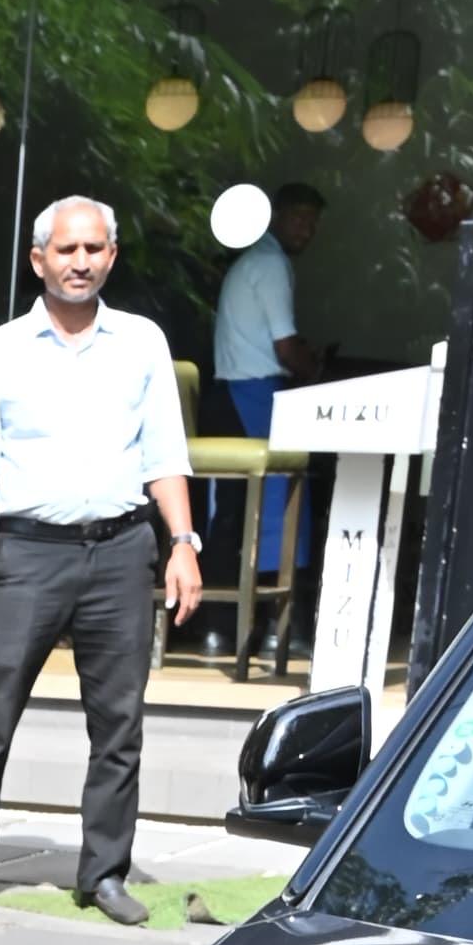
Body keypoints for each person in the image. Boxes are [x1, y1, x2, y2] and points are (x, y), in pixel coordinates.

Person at [0, 195, 203, 928]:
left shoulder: (142, 343)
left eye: (93, 249)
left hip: (121, 551)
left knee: (118, 722)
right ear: (37, 260)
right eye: (65, 250)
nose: (79, 262)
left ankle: (105, 874)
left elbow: (163, 458)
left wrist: (181, 543)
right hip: (28, 552)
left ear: (110, 256)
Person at [211, 180, 326, 672]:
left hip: (230, 394)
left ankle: (219, 629)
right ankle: (285, 630)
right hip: (257, 392)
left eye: (312, 221)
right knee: (284, 508)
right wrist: (316, 367)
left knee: (233, 513)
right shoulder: (272, 264)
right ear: (274, 217)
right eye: (299, 217)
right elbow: (286, 347)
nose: (306, 228)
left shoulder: (247, 264)